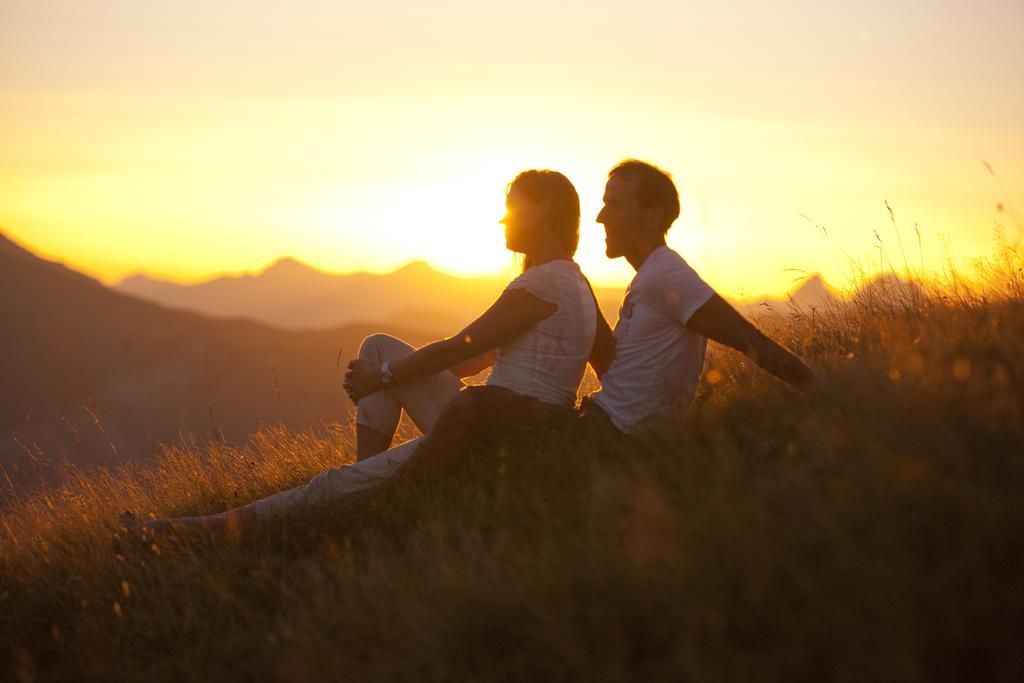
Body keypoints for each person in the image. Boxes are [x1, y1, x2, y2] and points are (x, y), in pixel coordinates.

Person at [122, 169, 598, 535]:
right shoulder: (574, 282)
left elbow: (459, 347)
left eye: (512, 207)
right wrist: (393, 370)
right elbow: (472, 361)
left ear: (544, 209)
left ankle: (194, 532)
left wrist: (387, 378)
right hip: (503, 423)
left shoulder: (540, 284)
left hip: (495, 431)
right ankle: (365, 474)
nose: (502, 219)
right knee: (375, 346)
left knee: (328, 484)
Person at [580, 159, 813, 439]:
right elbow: (625, 380)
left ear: (652, 216)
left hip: (607, 434)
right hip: (600, 424)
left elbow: (749, 341)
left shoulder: (666, 274)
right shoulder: (649, 276)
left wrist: (827, 392)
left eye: (616, 205)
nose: (601, 216)